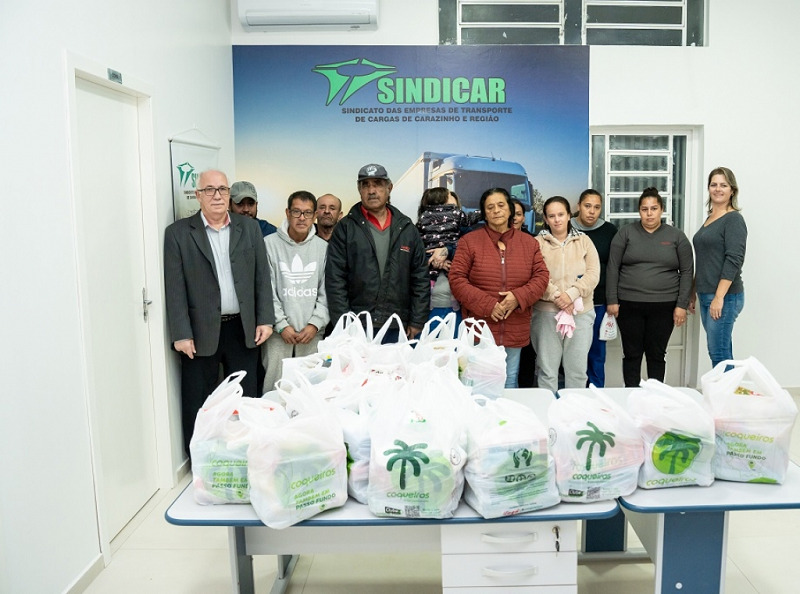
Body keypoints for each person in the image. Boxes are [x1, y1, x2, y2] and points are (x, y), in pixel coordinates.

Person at [164, 170, 274, 456]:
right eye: (209, 190)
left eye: (222, 189)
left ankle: (248, 454)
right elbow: (174, 288)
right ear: (198, 195)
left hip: (243, 328)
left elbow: (262, 277)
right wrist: (181, 333)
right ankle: (200, 459)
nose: (217, 195)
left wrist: (265, 318)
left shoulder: (248, 228)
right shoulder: (178, 234)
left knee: (246, 397)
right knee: (198, 400)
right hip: (199, 333)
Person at [449, 188, 549, 388]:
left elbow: (541, 277)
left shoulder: (529, 243)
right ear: (484, 214)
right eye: (490, 207)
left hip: (515, 325)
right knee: (478, 382)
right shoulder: (469, 242)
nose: (496, 210)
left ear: (510, 210)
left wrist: (517, 297)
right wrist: (488, 305)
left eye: (501, 205)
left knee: (509, 379)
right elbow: (457, 279)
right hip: (480, 328)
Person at [325, 163, 430, 341]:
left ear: (389, 188)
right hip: (357, 326)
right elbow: (335, 280)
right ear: (359, 190)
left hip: (398, 325)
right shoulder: (345, 228)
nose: (372, 190)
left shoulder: (407, 228)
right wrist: (344, 324)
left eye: (378, 184)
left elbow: (420, 277)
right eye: (365, 185)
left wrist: (417, 320)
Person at [606, 187, 694, 387]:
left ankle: (655, 397)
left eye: (654, 208)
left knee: (656, 354)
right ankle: (630, 394)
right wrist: (612, 299)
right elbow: (612, 267)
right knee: (632, 354)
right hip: (629, 304)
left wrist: (681, 305)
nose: (649, 213)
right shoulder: (625, 233)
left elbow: (687, 271)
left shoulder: (677, 237)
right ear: (639, 211)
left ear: (661, 209)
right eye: (644, 209)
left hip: (664, 305)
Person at [262, 191, 329, 393]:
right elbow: (265, 289)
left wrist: (315, 324)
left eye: (307, 213)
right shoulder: (269, 244)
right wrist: (281, 325)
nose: (302, 218)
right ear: (287, 213)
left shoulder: (323, 248)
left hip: (311, 335)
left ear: (314, 215)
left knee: (310, 391)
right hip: (277, 336)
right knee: (274, 389)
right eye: (296, 212)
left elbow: (327, 291)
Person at [532, 196, 600, 393]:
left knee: (577, 371)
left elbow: (593, 273)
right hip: (546, 314)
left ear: (569, 215)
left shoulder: (584, 241)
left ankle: (574, 409)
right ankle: (547, 408)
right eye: (552, 216)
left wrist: (571, 294)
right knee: (547, 371)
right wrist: (557, 297)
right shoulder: (537, 243)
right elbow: (535, 275)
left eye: (561, 214)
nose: (557, 220)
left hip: (580, 313)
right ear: (545, 219)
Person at [690, 167, 747, 368]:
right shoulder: (710, 219)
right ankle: (731, 387)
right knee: (722, 351)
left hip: (725, 296)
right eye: (714, 184)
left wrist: (719, 297)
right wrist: (693, 291)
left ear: (732, 190)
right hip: (706, 294)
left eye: (723, 185)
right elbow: (704, 260)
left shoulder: (733, 219)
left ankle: (726, 389)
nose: (718, 189)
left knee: (718, 353)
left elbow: (734, 260)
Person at [571, 189, 618, 387]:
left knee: (596, 352)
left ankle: (597, 392)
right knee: (572, 352)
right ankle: (571, 393)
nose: (592, 211)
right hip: (570, 302)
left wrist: (612, 299)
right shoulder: (566, 227)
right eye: (587, 206)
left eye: (597, 207)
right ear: (579, 206)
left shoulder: (609, 231)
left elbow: (615, 266)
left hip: (599, 301)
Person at [417, 188, 481, 329]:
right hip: (429, 312)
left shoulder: (423, 217)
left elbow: (472, 252)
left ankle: (437, 298)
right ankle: (452, 298)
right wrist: (483, 212)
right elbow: (415, 252)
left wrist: (444, 252)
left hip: (453, 310)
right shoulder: (456, 215)